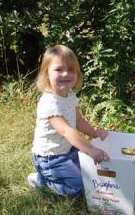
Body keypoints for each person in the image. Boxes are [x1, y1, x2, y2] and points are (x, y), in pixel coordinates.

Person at [27, 44, 110, 197]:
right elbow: (66, 131)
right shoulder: (49, 102)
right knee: (79, 187)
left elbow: (78, 120)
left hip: (68, 151)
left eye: (71, 69)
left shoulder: (69, 95)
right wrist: (90, 149)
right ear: (46, 75)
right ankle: (41, 181)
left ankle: (57, 176)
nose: (65, 74)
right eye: (58, 70)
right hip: (50, 158)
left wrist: (94, 132)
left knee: (92, 175)